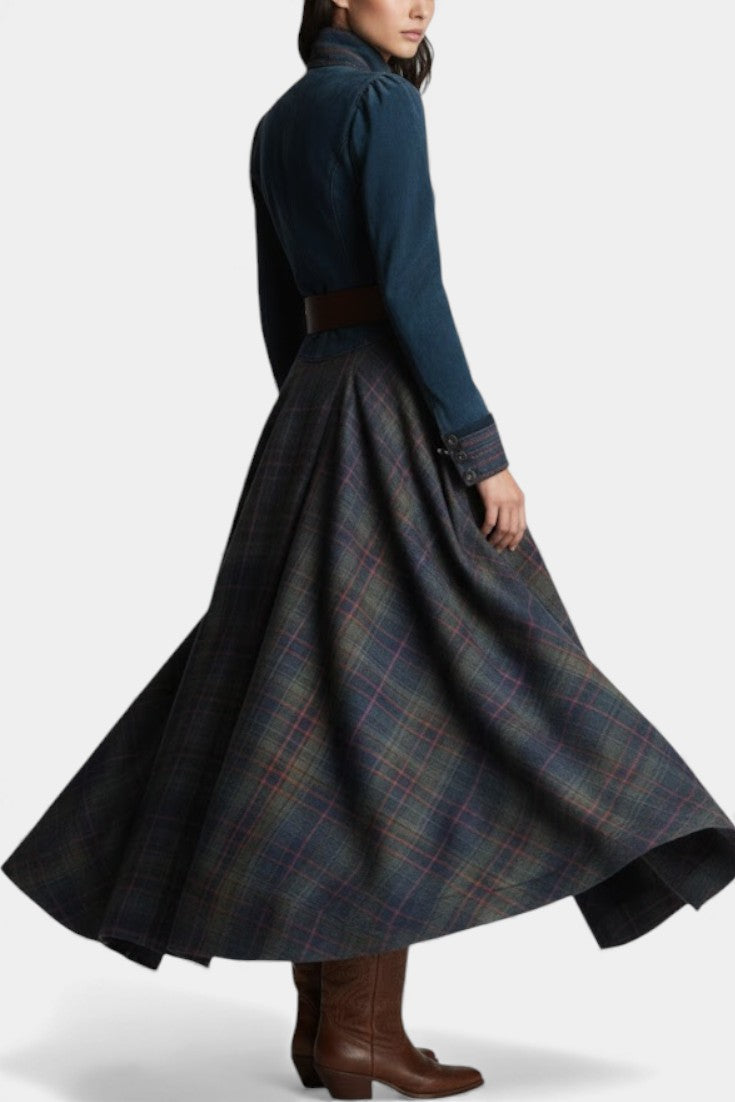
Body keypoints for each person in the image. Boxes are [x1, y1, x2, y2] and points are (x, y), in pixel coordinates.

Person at [3, 2, 735, 1099]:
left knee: (315, 702)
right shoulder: (383, 106)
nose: (422, 3)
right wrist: (480, 451)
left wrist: (316, 414)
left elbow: (279, 308)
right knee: (435, 692)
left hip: (310, 414)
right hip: (389, 416)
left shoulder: (278, 120)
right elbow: (411, 285)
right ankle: (355, 1029)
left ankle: (339, 1031)